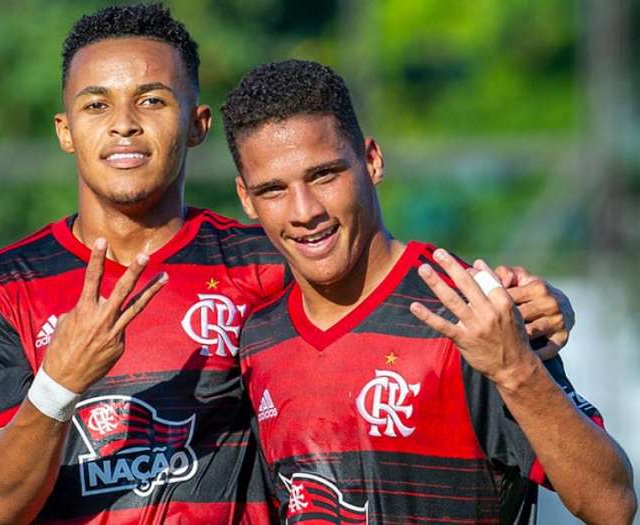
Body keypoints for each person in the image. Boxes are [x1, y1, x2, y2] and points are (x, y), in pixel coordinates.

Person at [0, 4, 581, 524]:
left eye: (152, 101)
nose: (124, 126)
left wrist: (537, 303)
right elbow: (2, 501)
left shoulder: (267, 256)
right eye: (97, 106)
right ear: (65, 130)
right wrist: (59, 383)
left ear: (197, 124)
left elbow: (391, 282)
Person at [222, 59, 637, 524]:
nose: (304, 211)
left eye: (324, 175)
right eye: (273, 189)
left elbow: (612, 505)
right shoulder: (256, 339)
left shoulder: (471, 316)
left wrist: (516, 370)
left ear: (372, 160)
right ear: (245, 198)